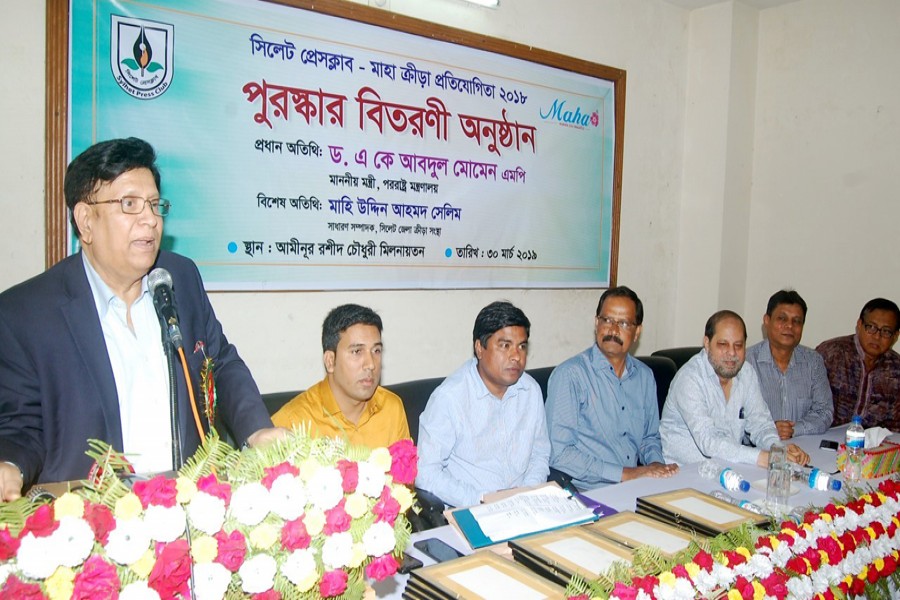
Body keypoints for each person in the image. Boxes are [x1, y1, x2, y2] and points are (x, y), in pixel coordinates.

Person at [0, 137, 282, 502]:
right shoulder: (26, 313)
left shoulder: (179, 277)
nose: (150, 219)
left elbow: (220, 363)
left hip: (191, 507)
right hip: (92, 524)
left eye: (153, 204)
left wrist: (256, 430)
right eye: (129, 204)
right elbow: (21, 427)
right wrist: (10, 465)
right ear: (85, 221)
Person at [416, 301, 550, 508]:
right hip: (473, 509)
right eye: (505, 346)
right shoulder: (450, 398)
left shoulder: (530, 391)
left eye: (522, 346)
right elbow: (426, 473)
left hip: (526, 506)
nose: (516, 356)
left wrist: (527, 493)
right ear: (480, 348)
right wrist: (484, 499)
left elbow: (540, 454)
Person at [545, 286, 678, 489]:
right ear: (596, 323)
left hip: (635, 488)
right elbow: (560, 454)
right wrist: (625, 474)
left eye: (623, 323)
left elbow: (649, 438)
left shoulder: (644, 376)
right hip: (587, 493)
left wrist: (656, 465)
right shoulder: (571, 375)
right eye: (607, 320)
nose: (613, 330)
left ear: (637, 332)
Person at [660, 310, 809, 467]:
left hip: (730, 468)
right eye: (723, 344)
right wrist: (762, 457)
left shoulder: (746, 372)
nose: (731, 353)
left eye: (738, 345)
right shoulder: (689, 378)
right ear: (706, 343)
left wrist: (778, 450)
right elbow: (709, 442)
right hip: (684, 474)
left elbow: (760, 424)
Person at [272, 304, 410, 447]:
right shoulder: (292, 422)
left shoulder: (391, 408)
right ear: (330, 361)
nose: (371, 365)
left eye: (376, 351)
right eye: (357, 351)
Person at [745, 290, 833, 439]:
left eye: (796, 321)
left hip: (803, 449)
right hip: (757, 451)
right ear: (767, 321)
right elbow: (735, 417)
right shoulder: (746, 362)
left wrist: (794, 430)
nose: (789, 326)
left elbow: (825, 412)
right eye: (782, 319)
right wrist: (768, 429)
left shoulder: (813, 362)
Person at [817, 298, 900, 431]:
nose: (877, 336)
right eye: (871, 327)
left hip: (876, 446)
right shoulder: (830, 354)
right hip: (824, 439)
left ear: (895, 336)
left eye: (886, 331)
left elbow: (896, 427)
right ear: (859, 325)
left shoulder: (896, 369)